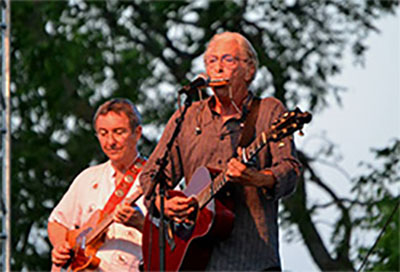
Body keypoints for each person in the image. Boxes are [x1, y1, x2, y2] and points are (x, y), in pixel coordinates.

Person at [140, 32, 302, 271]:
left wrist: (256, 178)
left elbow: (290, 170)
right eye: (211, 61)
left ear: (249, 71)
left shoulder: (269, 111)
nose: (217, 68)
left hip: (251, 259)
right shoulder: (187, 116)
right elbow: (151, 175)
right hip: (193, 259)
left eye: (227, 60)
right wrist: (163, 204)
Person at [48, 98, 147, 271]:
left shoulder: (157, 179)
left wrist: (141, 224)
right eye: (103, 133)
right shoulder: (87, 178)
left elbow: (175, 240)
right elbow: (56, 222)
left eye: (119, 132)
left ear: (137, 133)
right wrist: (60, 247)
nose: (110, 142)